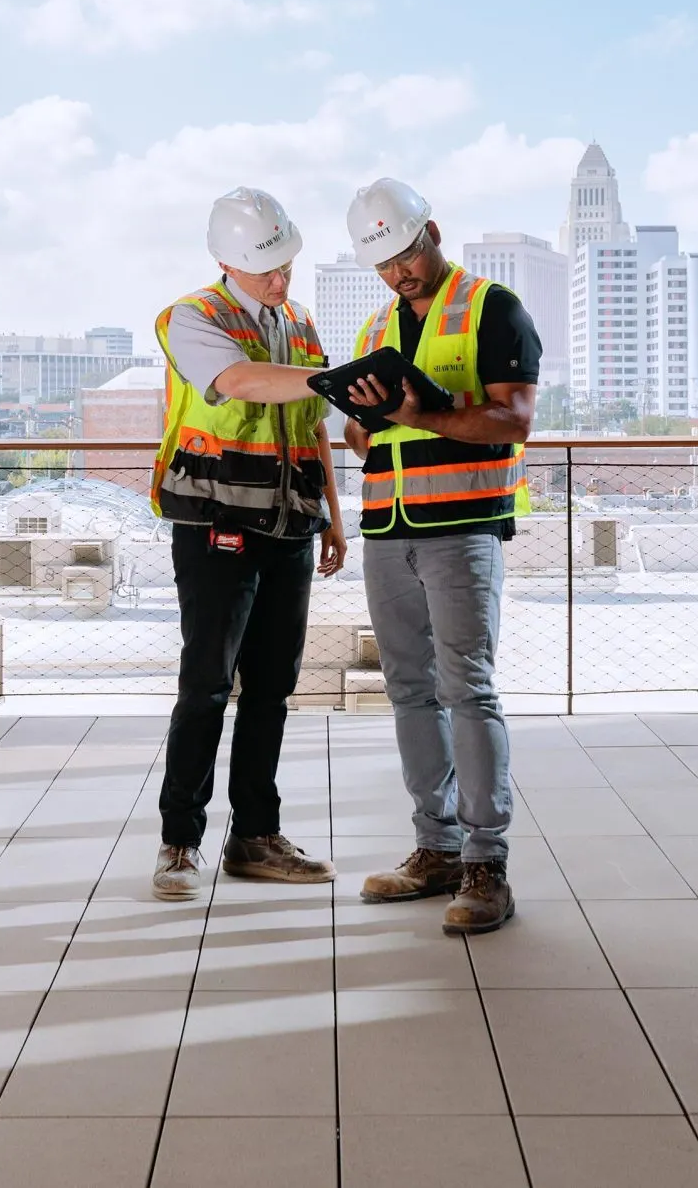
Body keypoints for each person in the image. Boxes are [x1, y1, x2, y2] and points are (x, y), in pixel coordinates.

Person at [340, 177, 538, 934]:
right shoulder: (373, 329)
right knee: (409, 690)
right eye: (383, 263)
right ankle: (437, 847)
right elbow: (367, 439)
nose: (399, 273)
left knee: (468, 689)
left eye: (406, 254)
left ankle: (488, 863)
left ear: (433, 231)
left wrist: (424, 411)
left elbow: (514, 420)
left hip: (462, 525)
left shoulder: (493, 307)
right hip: (387, 528)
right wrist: (364, 415)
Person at [147, 187, 349, 902]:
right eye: (267, 268)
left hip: (289, 527)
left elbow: (315, 420)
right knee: (205, 687)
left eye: (286, 263)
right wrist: (335, 378)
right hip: (215, 527)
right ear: (226, 259)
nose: (280, 279)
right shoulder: (193, 318)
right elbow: (239, 380)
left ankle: (255, 837)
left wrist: (332, 511)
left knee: (271, 691)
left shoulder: (297, 322)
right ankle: (179, 843)